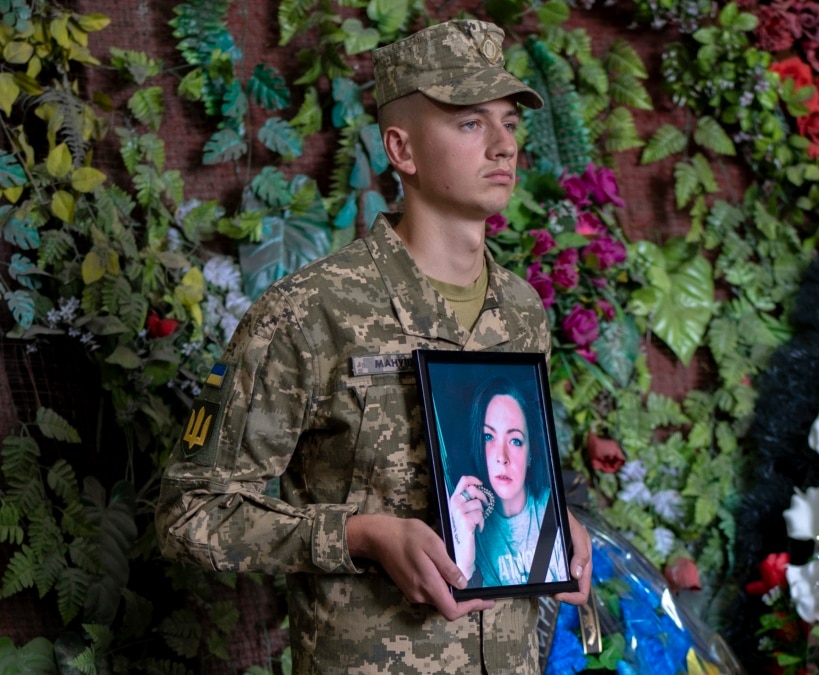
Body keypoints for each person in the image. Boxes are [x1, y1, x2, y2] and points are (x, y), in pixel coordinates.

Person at [155, 18, 592, 674]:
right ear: (402, 149)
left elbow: (512, 473)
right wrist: (359, 534)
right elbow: (190, 514)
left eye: (510, 122)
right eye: (471, 123)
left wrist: (553, 527)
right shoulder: (310, 312)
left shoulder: (522, 311)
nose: (504, 144)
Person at [448, 378, 568, 588]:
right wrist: (463, 565)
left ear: (531, 452)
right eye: (488, 436)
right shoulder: (467, 524)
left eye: (515, 441)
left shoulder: (552, 509)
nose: (501, 457)